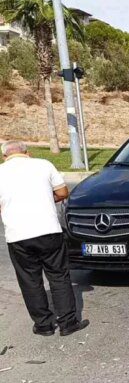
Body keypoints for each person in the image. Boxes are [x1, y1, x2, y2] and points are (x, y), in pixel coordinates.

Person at [0, 141, 88, 336]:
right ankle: (68, 323)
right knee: (58, 275)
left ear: (5, 156)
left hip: (18, 235)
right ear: (27, 153)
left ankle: (43, 325)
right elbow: (63, 192)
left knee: (29, 280)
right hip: (48, 230)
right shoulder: (44, 164)